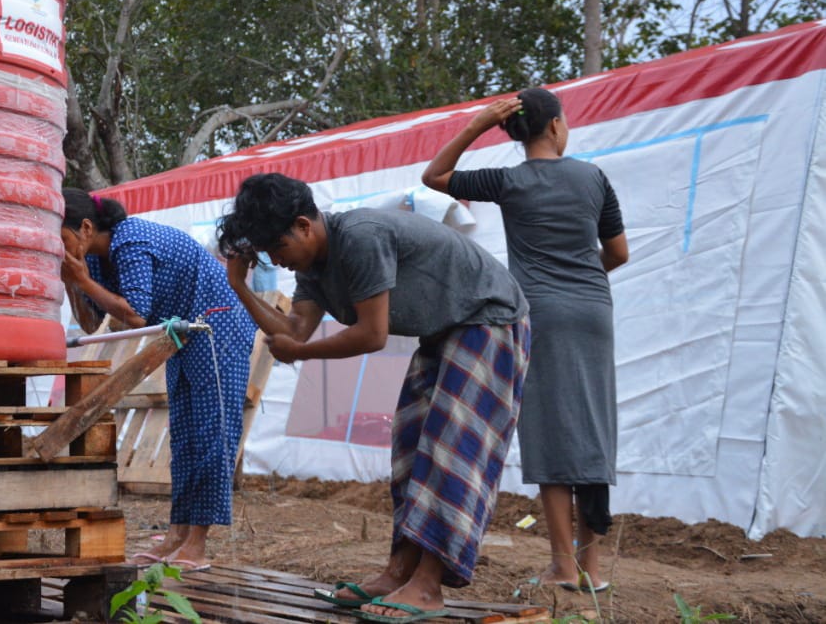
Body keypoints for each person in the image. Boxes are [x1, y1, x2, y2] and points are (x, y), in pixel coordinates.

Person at [217, 172, 530, 621]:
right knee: (410, 444)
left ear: (305, 226)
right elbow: (293, 330)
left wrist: (301, 352)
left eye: (277, 248)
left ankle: (427, 585)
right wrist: (240, 286)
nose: (276, 260)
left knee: (449, 446)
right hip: (444, 330)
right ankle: (400, 570)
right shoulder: (313, 267)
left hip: (490, 320)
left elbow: (371, 334)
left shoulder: (361, 237)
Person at [422, 87, 629, 594]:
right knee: (593, 428)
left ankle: (563, 566)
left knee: (550, 433)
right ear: (557, 125)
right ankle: (593, 570)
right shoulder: (593, 177)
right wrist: (580, 277)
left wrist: (476, 125)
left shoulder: (509, 180)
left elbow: (434, 177)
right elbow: (618, 253)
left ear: (514, 133)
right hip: (593, 311)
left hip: (539, 314)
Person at [59, 187, 256, 572]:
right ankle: (176, 535)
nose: (60, 250)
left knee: (212, 433)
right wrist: (72, 280)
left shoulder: (130, 241)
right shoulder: (95, 260)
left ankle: (196, 544)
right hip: (184, 334)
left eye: (62, 240)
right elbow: (91, 323)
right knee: (183, 436)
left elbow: (135, 314)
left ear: (85, 227)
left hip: (219, 324)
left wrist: (81, 279)